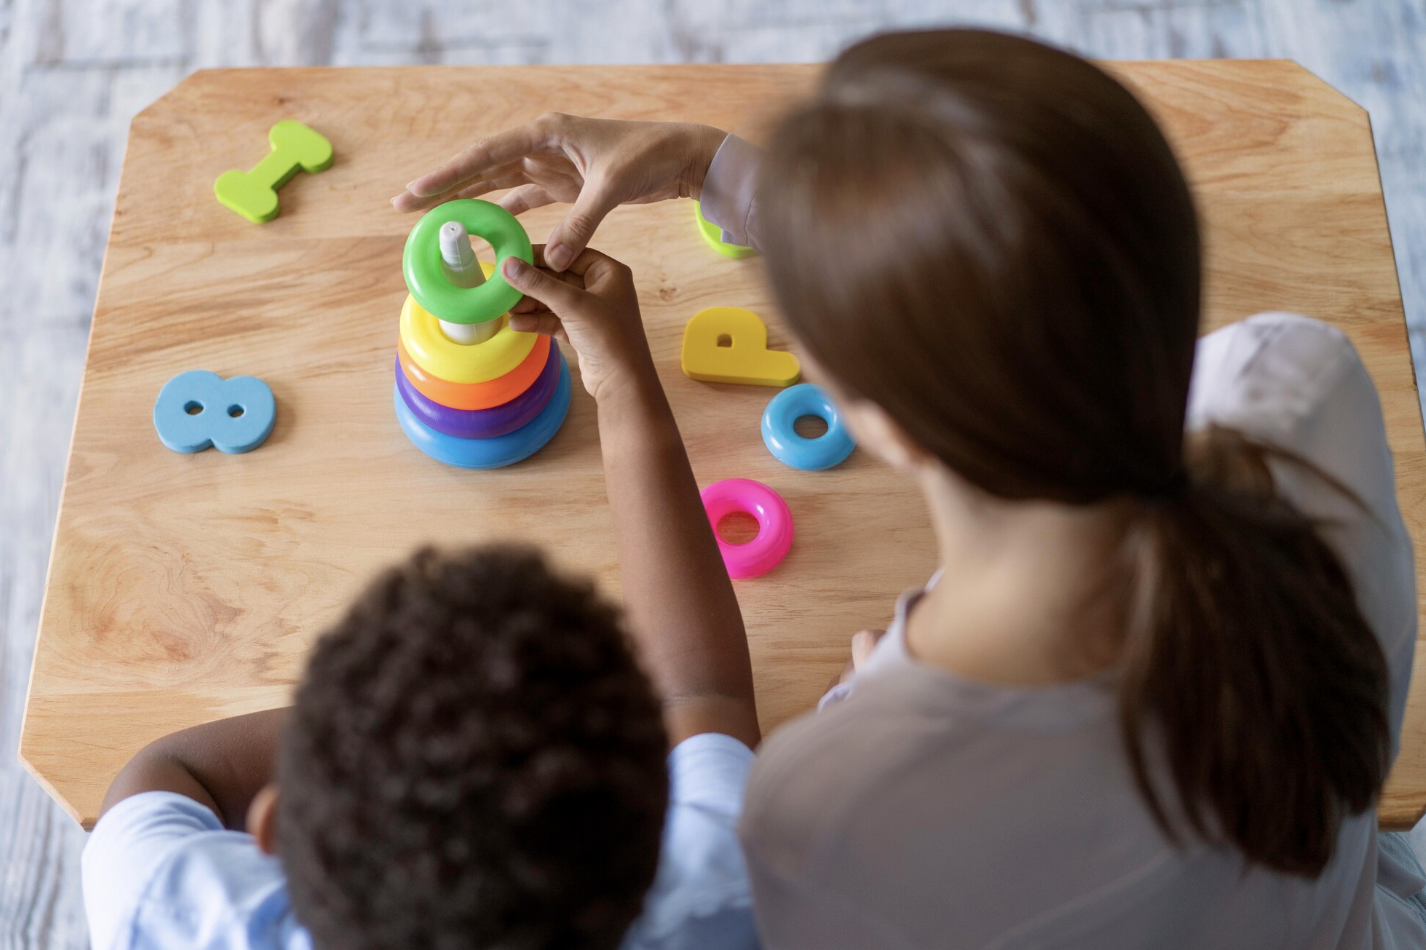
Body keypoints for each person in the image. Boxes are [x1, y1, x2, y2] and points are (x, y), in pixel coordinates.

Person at [393, 27, 1426, 950]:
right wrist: (717, 168)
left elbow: (700, 705)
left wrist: (882, 692)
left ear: (871, 419)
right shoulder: (1299, 389)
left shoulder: (838, 810)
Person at [82, 242, 762, 949]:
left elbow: (163, 771)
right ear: (650, 843)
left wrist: (374, 720)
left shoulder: (167, 914)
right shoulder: (719, 896)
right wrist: (620, 381)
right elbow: (698, 694)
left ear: (274, 828)